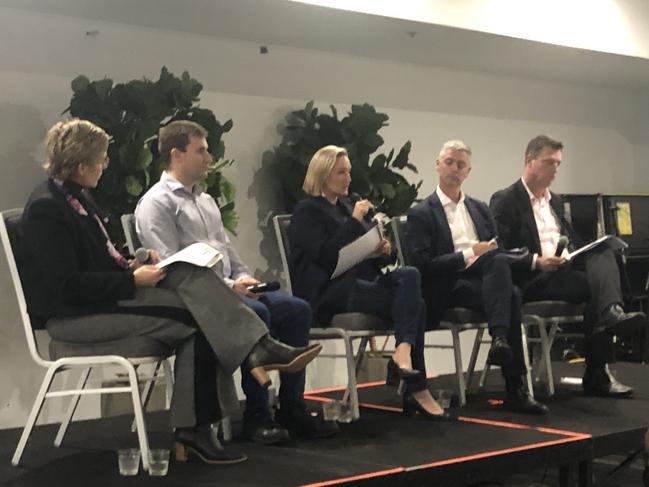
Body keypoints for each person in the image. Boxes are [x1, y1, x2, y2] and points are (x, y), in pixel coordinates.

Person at [21, 119, 321, 465]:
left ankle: (198, 426)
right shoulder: (47, 207)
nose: (105, 166)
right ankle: (250, 357)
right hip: (72, 317)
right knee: (199, 315)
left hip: (103, 301)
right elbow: (65, 285)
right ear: (80, 163)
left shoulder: (77, 197)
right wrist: (133, 280)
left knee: (195, 300)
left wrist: (134, 261)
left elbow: (101, 254)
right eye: (101, 159)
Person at [135, 120, 336, 443]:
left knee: (297, 309)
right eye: (200, 150)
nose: (209, 157)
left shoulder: (206, 200)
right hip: (200, 300)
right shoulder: (157, 203)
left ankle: (292, 408)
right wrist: (230, 288)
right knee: (260, 314)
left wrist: (244, 276)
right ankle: (257, 417)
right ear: (177, 154)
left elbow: (225, 249)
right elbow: (171, 268)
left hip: (231, 288)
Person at [288, 145, 454, 420]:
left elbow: (362, 257)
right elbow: (329, 258)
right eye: (341, 172)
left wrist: (379, 250)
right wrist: (354, 222)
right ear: (323, 174)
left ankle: (402, 354)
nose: (348, 178)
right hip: (331, 293)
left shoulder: (345, 205)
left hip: (361, 285)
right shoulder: (307, 211)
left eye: (348, 172)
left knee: (410, 275)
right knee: (418, 306)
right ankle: (416, 389)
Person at [490, 134, 646, 397]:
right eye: (550, 162)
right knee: (598, 288)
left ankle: (611, 313)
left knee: (604, 254)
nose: (556, 170)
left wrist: (577, 252)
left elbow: (571, 239)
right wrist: (536, 262)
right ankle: (598, 371)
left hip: (562, 272)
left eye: (559, 164)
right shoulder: (506, 199)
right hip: (531, 278)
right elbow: (500, 251)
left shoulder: (556, 202)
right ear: (530, 161)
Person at [407, 140, 547, 414]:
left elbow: (498, 250)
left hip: (483, 278)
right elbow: (422, 265)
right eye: (449, 162)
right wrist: (468, 253)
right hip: (447, 282)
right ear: (437, 165)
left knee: (506, 280)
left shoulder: (479, 208)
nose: (454, 169)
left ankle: (501, 344)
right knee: (509, 291)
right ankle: (513, 382)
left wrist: (520, 258)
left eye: (461, 165)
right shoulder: (422, 213)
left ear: (468, 171)